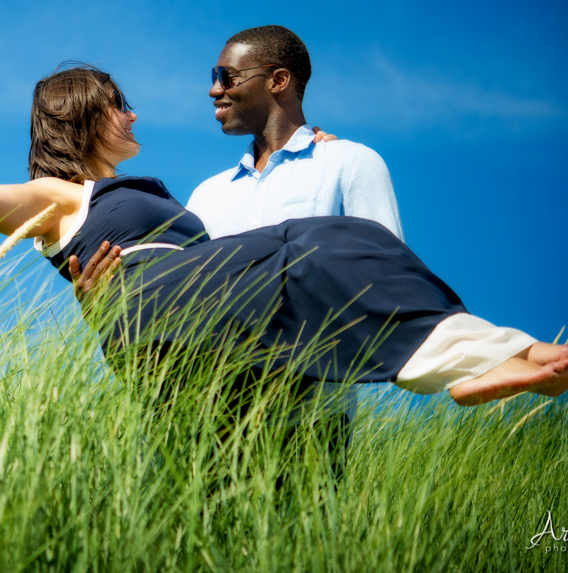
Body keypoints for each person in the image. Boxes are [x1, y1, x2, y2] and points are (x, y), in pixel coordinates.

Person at [0, 64, 568, 408]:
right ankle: (488, 360)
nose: (133, 113)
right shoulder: (58, 194)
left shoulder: (158, 198)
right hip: (164, 315)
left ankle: (502, 357)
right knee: (329, 242)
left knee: (344, 255)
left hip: (205, 316)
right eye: (118, 103)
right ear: (84, 117)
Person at [71, 25, 399, 474]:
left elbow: (386, 282)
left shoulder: (349, 164)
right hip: (194, 426)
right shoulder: (206, 196)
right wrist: (104, 306)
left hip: (306, 422)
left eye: (225, 76)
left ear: (277, 80)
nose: (213, 89)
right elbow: (176, 307)